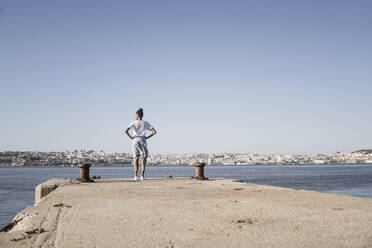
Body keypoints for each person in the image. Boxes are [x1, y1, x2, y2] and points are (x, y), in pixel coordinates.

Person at [125, 108, 157, 181]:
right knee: (143, 158)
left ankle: (135, 176)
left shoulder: (133, 122)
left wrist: (131, 137)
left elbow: (126, 131)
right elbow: (154, 132)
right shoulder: (146, 123)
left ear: (137, 115)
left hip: (135, 139)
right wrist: (147, 137)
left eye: (135, 115)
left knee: (136, 157)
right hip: (143, 139)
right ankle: (142, 176)